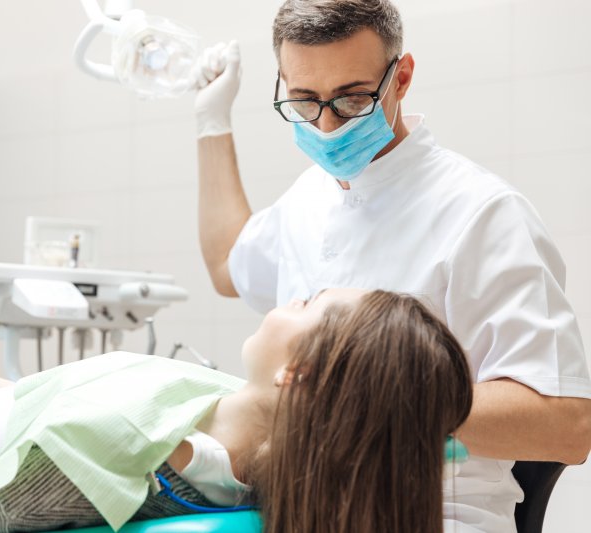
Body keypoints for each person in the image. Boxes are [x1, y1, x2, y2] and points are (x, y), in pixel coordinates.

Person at [193, 1, 591, 531]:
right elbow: (227, 264)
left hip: (434, 512)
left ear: (400, 78)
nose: (329, 125)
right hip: (302, 509)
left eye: (353, 98)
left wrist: (368, 396)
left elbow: (566, 427)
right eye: (305, 100)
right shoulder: (308, 198)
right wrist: (210, 123)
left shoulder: (483, 213)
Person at [0, 289, 472, 533]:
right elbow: (108, 408)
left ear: (299, 374)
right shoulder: (239, 431)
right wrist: (11, 394)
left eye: (311, 303)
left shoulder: (111, 455)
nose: (292, 297)